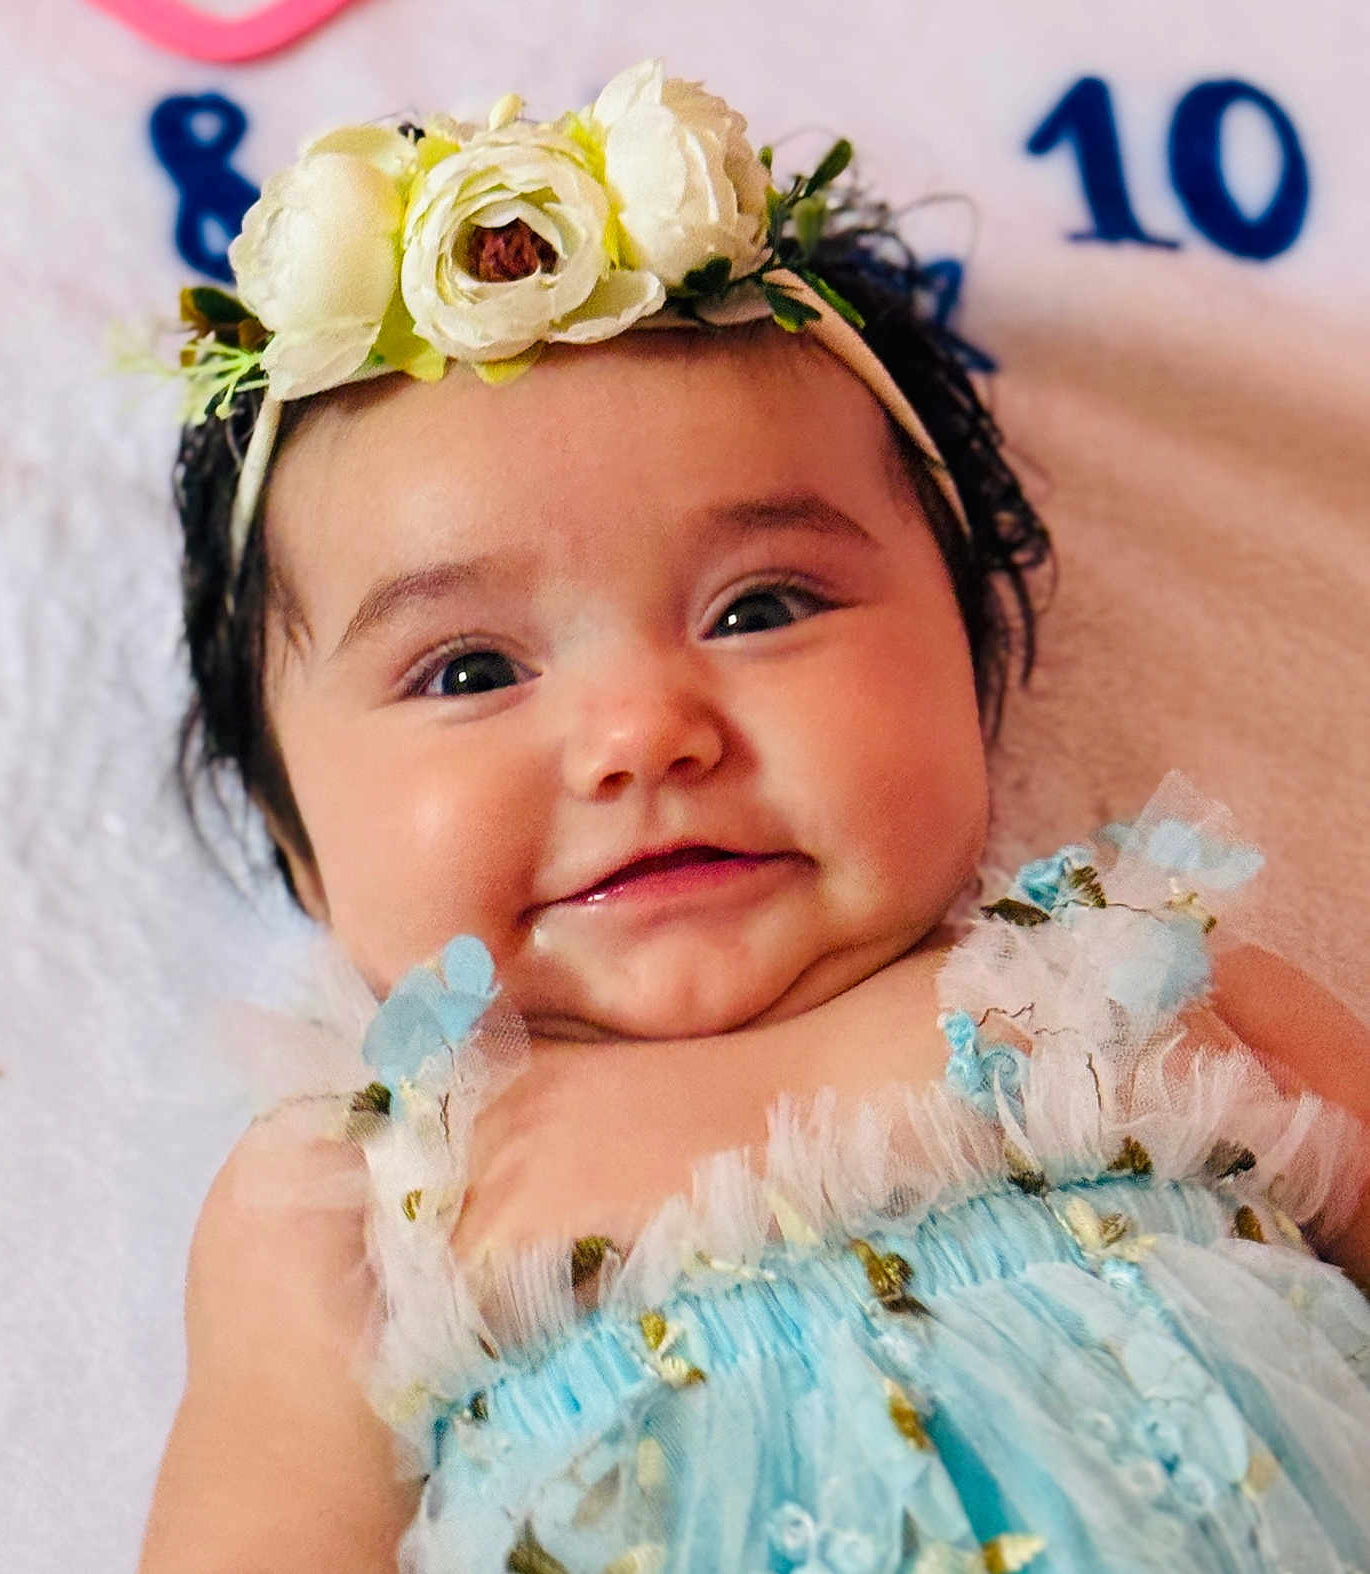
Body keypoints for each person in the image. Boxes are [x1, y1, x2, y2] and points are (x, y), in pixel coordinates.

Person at [137, 60, 1370, 1573]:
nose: (641, 733)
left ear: (971, 659)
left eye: (761, 606)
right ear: (300, 844)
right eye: (468, 670)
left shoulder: (1135, 999)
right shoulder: (357, 1208)